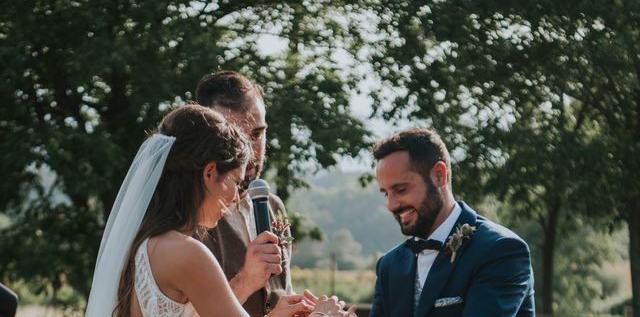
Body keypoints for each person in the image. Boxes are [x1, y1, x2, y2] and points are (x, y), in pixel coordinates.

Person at [85, 104, 352, 317]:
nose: (236, 196)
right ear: (210, 173)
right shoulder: (187, 252)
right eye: (235, 182)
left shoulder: (145, 245)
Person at [370, 128, 535, 317]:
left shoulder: (500, 250)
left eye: (400, 189)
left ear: (439, 175)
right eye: (386, 193)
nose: (391, 205)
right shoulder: (389, 266)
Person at [195, 71, 291, 316]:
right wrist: (246, 281)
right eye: (235, 136)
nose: (251, 153)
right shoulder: (189, 212)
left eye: (257, 135)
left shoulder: (273, 204)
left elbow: (281, 293)